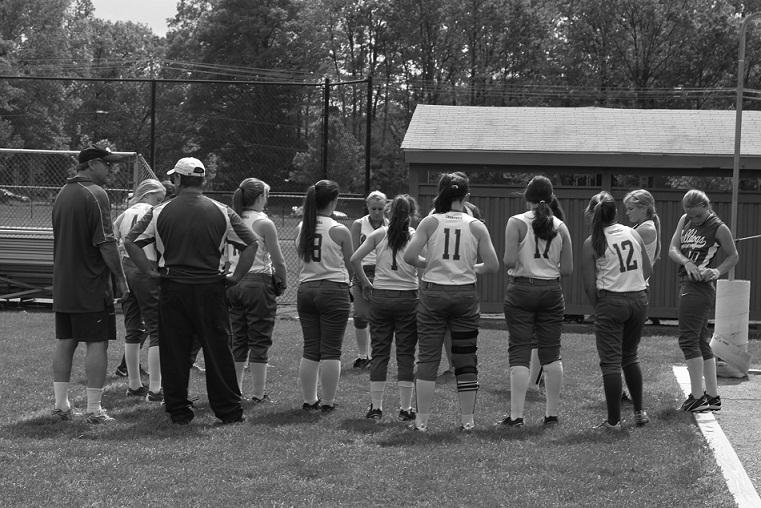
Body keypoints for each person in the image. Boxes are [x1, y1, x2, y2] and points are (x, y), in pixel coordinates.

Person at [125, 157, 259, 425]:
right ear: (203, 180)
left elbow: (131, 242)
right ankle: (229, 411)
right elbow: (251, 244)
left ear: (176, 180)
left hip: (173, 286)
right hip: (211, 286)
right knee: (218, 350)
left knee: (174, 350)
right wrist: (235, 277)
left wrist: (150, 271)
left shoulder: (160, 211)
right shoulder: (222, 211)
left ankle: (178, 410)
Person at [403, 172, 500, 432]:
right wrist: (471, 268)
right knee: (466, 358)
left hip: (433, 293)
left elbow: (410, 256)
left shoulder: (429, 222)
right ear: (466, 196)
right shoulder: (477, 225)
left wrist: (430, 263)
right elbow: (492, 265)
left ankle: (421, 422)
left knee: (428, 358)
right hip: (464, 295)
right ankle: (467, 420)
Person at [51, 145, 129, 424]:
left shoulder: (62, 193)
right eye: (108, 164)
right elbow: (106, 243)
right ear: (93, 164)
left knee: (66, 342)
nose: (111, 169)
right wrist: (120, 279)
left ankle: (61, 405)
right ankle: (94, 409)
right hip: (90, 285)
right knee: (97, 343)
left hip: (64, 283)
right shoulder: (96, 194)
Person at [498, 176, 573, 427]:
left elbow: (508, 261)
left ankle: (517, 416)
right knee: (551, 353)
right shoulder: (561, 226)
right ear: (551, 198)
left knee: (519, 349)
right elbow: (568, 269)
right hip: (551, 290)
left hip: (522, 288)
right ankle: (551, 414)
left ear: (527, 197)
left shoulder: (517, 222)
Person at [581, 191, 652, 430]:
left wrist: (601, 306)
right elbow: (648, 268)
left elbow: (589, 286)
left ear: (593, 214)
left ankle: (613, 421)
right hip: (638, 299)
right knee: (630, 357)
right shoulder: (632, 232)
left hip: (611, 301)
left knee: (610, 363)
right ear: (615, 213)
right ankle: (640, 411)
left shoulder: (593, 241)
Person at [351, 194, 424, 422]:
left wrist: (365, 282)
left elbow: (355, 259)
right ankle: (405, 409)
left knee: (380, 352)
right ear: (411, 215)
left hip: (381, 297)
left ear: (389, 212)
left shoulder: (379, 233)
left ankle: (376, 407)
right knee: (405, 354)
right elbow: (422, 266)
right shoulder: (415, 236)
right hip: (407, 298)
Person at [668, 189, 738, 413]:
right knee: (699, 340)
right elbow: (673, 249)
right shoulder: (685, 219)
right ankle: (713, 397)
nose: (694, 219)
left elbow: (733, 256)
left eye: (698, 215)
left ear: (707, 207)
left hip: (699, 287)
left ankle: (697, 397)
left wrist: (716, 271)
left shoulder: (719, 227)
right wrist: (686, 263)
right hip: (687, 280)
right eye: (690, 215)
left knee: (688, 340)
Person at [295, 180, 354, 412]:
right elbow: (351, 264)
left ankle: (310, 400)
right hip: (333, 290)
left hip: (306, 289)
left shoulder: (303, 226)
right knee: (331, 350)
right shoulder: (339, 229)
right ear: (334, 200)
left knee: (311, 348)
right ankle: (328, 402)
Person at [227, 178, 287, 403]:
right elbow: (278, 261)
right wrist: (282, 281)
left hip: (233, 281)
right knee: (260, 339)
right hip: (257, 282)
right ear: (260, 197)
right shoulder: (264, 222)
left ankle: (235, 390)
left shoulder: (231, 219)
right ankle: (258, 394)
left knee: (238, 339)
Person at [113, 179, 166, 402]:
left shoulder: (124, 214)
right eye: (159, 197)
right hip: (147, 266)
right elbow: (161, 243)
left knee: (133, 327)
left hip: (127, 266)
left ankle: (134, 385)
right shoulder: (154, 212)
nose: (161, 201)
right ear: (149, 195)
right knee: (157, 328)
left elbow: (115, 240)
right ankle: (155, 388)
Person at [349, 190, 388, 369]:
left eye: (381, 208)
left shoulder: (390, 224)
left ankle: (378, 355)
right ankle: (363, 355)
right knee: (360, 315)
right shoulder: (359, 224)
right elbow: (353, 252)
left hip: (383, 272)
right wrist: (354, 278)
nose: (377, 212)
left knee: (380, 317)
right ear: (367, 207)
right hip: (362, 270)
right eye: (373, 208)